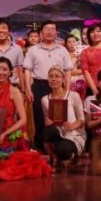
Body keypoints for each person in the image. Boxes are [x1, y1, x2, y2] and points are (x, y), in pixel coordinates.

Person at [24, 21, 73, 151]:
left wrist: (67, 89)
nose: (49, 31)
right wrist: (28, 89)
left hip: (58, 87)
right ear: (41, 32)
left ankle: (59, 147)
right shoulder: (33, 50)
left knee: (58, 117)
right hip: (39, 86)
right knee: (40, 117)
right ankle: (41, 148)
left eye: (52, 29)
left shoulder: (62, 50)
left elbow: (68, 70)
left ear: (56, 33)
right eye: (46, 29)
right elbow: (27, 70)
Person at [41, 66, 86, 173]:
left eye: (57, 76)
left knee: (62, 149)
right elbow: (47, 119)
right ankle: (54, 158)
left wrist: (71, 126)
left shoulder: (73, 95)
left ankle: (73, 156)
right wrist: (47, 122)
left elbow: (82, 119)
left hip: (74, 133)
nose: (53, 79)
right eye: (51, 76)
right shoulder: (45, 99)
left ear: (63, 79)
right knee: (46, 132)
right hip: (57, 132)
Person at [0, 57, 29, 148]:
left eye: (5, 69)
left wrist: (5, 134)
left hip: (8, 133)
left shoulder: (14, 91)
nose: (1, 72)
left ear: (10, 72)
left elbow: (23, 119)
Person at [65, 35, 86, 100]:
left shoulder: (84, 53)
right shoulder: (65, 54)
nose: (72, 44)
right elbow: (72, 71)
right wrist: (75, 57)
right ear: (66, 44)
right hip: (70, 81)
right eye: (69, 42)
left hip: (84, 80)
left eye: (74, 41)